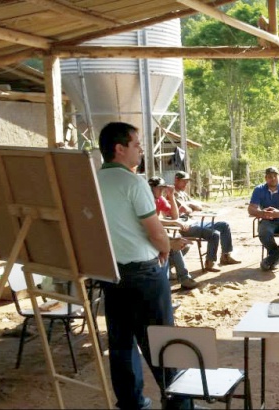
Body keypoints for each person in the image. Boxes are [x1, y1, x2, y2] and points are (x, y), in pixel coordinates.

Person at [96, 122, 187, 409]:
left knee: (121, 342)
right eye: (136, 144)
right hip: (144, 271)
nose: (141, 149)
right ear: (119, 149)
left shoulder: (92, 181)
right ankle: (177, 404)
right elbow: (156, 230)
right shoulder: (134, 182)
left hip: (110, 271)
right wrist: (166, 248)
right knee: (162, 340)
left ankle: (131, 402)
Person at [173, 171, 241, 271]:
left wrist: (202, 204)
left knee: (224, 225)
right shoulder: (173, 193)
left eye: (187, 181)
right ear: (176, 180)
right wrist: (193, 205)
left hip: (193, 222)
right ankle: (210, 262)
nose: (186, 184)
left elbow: (193, 203)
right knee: (214, 234)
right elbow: (187, 207)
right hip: (184, 226)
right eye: (183, 181)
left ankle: (226, 255)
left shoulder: (183, 193)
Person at [147, 176, 199, 290]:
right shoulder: (147, 199)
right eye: (159, 188)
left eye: (163, 188)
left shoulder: (159, 199)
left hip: (155, 233)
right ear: (151, 188)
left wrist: (171, 196)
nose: (161, 191)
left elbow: (175, 215)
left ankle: (168, 268)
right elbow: (153, 220)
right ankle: (184, 278)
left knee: (183, 244)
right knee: (175, 245)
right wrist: (175, 223)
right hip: (146, 235)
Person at [248, 166, 279, 271]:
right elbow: (251, 209)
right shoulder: (259, 189)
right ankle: (275, 259)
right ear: (266, 178)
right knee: (263, 232)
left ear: (278, 177)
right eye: (270, 176)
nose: (273, 178)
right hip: (268, 220)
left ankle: (270, 259)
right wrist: (262, 213)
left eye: (275, 176)